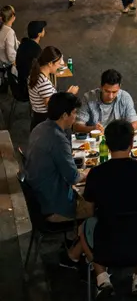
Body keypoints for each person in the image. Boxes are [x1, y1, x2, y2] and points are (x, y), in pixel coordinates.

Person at [79, 119, 137, 297]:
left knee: (83, 226)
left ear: (107, 145)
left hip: (106, 247)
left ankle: (102, 279)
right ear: (131, 144)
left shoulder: (96, 173)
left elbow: (89, 211)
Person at [25, 92, 90, 268]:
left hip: (39, 198)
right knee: (98, 209)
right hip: (52, 206)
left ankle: (75, 240)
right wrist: (88, 173)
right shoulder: (58, 139)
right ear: (64, 115)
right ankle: (75, 255)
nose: (75, 117)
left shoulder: (40, 127)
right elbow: (74, 177)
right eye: (74, 113)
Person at [29, 45, 80, 130]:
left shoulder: (36, 73)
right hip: (44, 122)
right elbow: (52, 108)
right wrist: (70, 94)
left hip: (38, 117)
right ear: (50, 64)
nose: (60, 66)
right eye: (58, 64)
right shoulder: (43, 83)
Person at [75, 69, 137, 133]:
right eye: (107, 91)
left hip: (118, 136)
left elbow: (135, 123)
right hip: (95, 137)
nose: (110, 96)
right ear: (101, 87)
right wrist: (93, 129)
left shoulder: (125, 97)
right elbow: (77, 126)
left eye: (114, 92)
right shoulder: (88, 98)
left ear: (119, 87)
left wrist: (122, 132)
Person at [13, 20, 46, 93]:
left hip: (20, 83)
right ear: (39, 34)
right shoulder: (37, 50)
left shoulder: (23, 44)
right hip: (30, 87)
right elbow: (41, 69)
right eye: (43, 29)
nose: (44, 30)